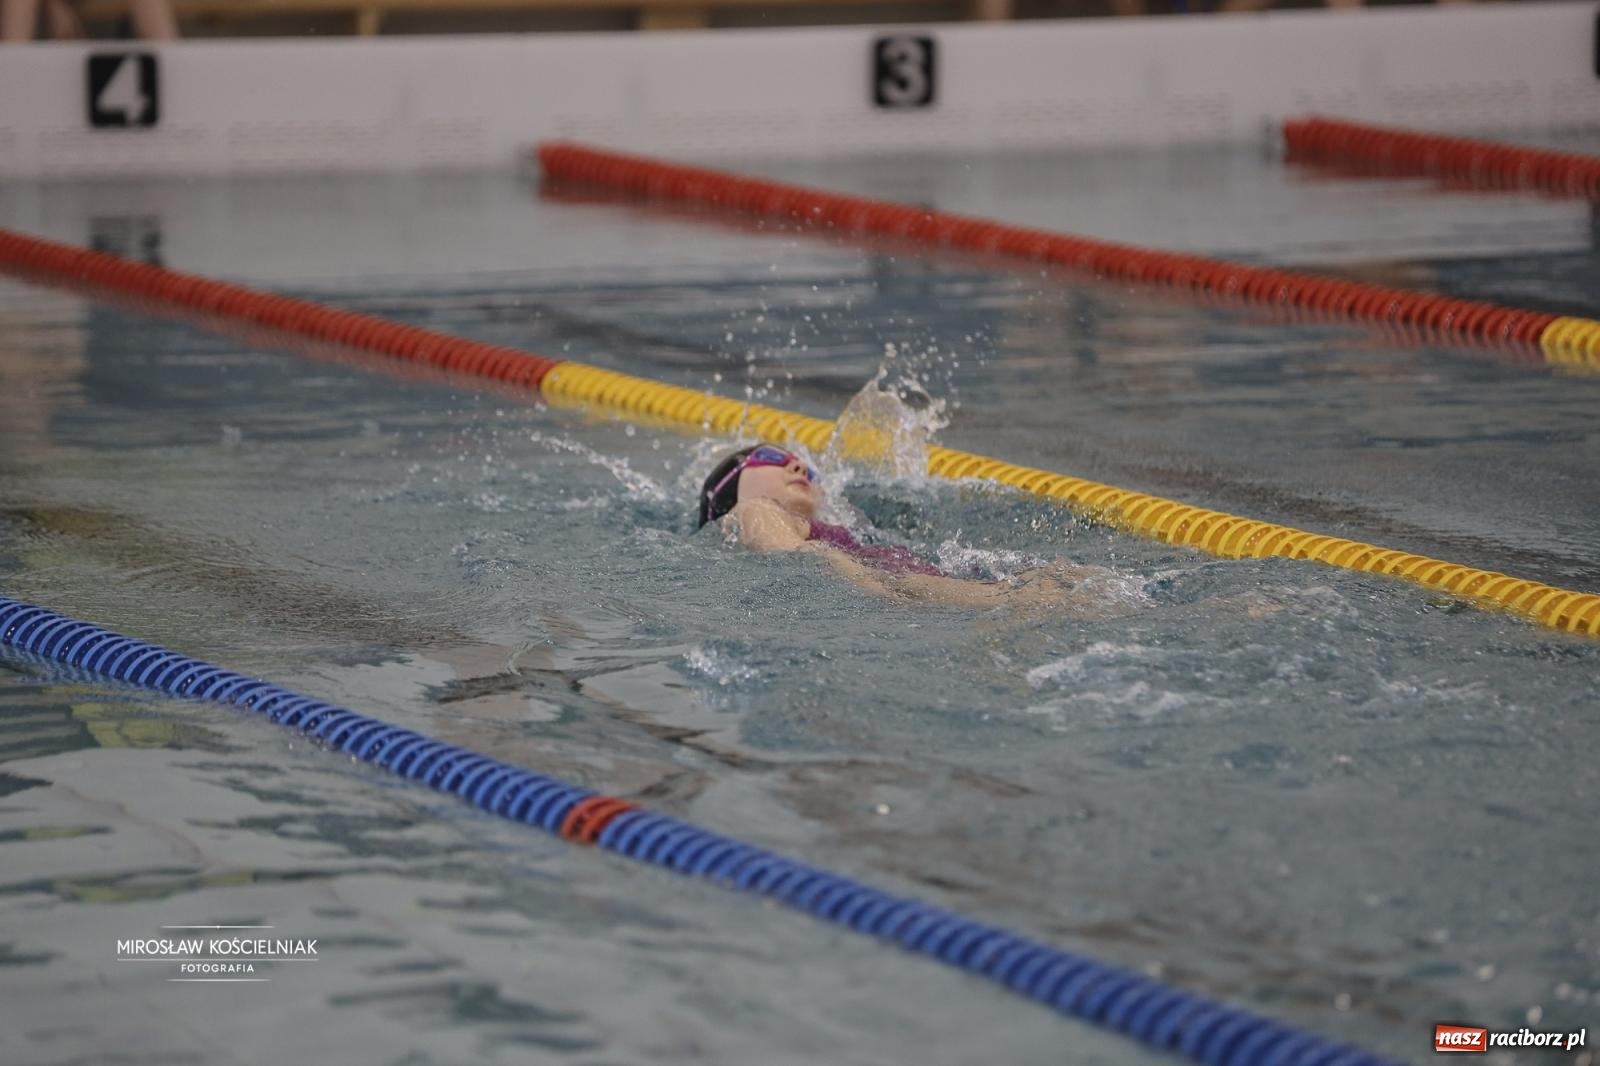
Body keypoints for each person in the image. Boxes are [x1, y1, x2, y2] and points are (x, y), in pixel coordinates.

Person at [697, 443, 1090, 607]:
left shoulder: (831, 526)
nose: (798, 466)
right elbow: (799, 559)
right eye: (771, 457)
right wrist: (877, 591)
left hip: (922, 581)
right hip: (904, 588)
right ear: (728, 491)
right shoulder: (753, 510)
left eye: (806, 465)